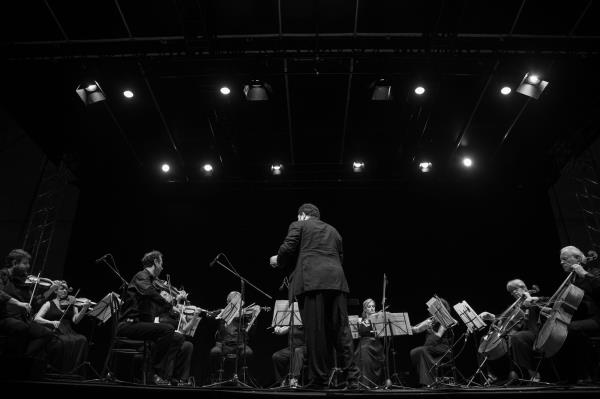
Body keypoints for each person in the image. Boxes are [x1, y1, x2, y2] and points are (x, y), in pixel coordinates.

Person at [270, 203, 359, 389]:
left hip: (311, 282)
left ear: (302, 215)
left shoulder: (299, 224)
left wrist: (278, 260)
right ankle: (353, 379)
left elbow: (288, 248)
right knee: (342, 330)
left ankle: (319, 380)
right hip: (336, 281)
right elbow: (340, 257)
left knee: (316, 332)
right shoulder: (334, 230)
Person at [117, 250, 185, 385]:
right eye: (161, 263)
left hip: (141, 325)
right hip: (129, 325)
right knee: (167, 330)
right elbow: (150, 293)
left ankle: (164, 375)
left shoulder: (151, 282)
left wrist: (174, 305)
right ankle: (151, 373)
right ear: (155, 262)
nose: (162, 267)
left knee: (178, 337)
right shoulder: (141, 277)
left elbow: (155, 306)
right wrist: (170, 304)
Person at [478, 279, 542, 382]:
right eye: (511, 292)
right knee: (484, 340)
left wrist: (530, 300)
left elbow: (543, 309)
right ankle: (490, 375)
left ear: (523, 287)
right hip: (513, 332)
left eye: (515, 289)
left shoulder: (534, 299)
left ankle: (532, 374)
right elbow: (504, 319)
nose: (513, 293)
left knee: (516, 338)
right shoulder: (515, 306)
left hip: (530, 331)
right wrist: (492, 317)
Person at [555, 245, 600, 383]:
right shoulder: (570, 280)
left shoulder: (594, 272)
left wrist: (585, 274)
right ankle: (566, 376)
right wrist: (542, 302)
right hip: (581, 318)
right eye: (561, 260)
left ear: (578, 259)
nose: (562, 262)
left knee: (569, 329)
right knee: (556, 330)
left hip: (596, 318)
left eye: (565, 259)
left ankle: (588, 375)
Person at [0, 249, 54, 362]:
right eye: (25, 263)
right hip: (5, 317)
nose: (28, 266)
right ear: (14, 263)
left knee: (47, 333)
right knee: (21, 328)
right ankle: (9, 360)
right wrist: (18, 303)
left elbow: (35, 302)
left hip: (22, 319)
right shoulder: (3, 275)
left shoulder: (24, 281)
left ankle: (21, 359)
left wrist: (51, 290)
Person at [34, 281, 90, 374]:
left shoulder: (72, 303)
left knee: (83, 339)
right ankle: (58, 371)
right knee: (63, 342)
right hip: (55, 330)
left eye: (66, 289)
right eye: (62, 288)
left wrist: (84, 309)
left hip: (69, 330)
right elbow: (36, 318)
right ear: (55, 291)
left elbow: (76, 320)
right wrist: (51, 322)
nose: (65, 291)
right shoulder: (49, 303)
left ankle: (74, 372)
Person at [209, 291, 257, 375]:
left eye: (238, 303)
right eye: (233, 302)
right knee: (214, 352)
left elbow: (251, 333)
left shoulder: (244, 315)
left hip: (240, 344)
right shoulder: (222, 312)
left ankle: (240, 376)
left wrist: (252, 321)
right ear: (228, 303)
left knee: (248, 353)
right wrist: (219, 313)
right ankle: (216, 377)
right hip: (222, 344)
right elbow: (209, 315)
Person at [409, 297, 452, 387]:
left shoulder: (445, 319)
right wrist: (406, 327)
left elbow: (439, 335)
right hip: (430, 347)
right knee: (414, 352)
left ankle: (429, 382)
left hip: (441, 347)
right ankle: (422, 379)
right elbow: (417, 329)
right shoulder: (431, 319)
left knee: (422, 350)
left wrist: (431, 329)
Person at [157, 299, 200, 386]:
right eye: (164, 294)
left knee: (188, 345)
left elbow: (184, 330)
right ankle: (166, 377)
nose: (167, 296)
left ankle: (182, 379)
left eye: (167, 294)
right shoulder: (159, 308)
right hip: (162, 338)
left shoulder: (176, 313)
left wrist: (195, 316)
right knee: (176, 340)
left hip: (176, 339)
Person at [353, 298, 384, 388]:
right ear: (365, 309)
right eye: (369, 307)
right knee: (359, 353)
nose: (372, 308)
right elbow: (358, 335)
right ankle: (361, 382)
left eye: (373, 306)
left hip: (374, 344)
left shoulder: (378, 318)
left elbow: (381, 334)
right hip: (363, 343)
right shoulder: (359, 320)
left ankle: (369, 382)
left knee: (364, 350)